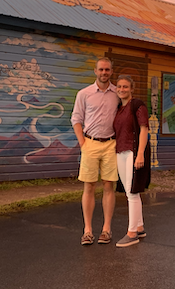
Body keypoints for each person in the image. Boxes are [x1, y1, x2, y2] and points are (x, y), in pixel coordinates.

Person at [71, 57, 120, 246]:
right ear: (95, 71)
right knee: (89, 186)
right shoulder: (84, 94)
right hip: (90, 143)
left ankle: (106, 229)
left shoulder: (117, 93)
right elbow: (76, 118)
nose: (104, 73)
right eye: (101, 69)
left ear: (111, 72)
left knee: (109, 185)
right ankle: (88, 231)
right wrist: (82, 143)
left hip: (110, 144)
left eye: (107, 70)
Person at [113, 75, 151, 248]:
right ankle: (140, 227)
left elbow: (144, 129)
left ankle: (132, 233)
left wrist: (140, 154)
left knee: (132, 192)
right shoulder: (119, 108)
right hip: (120, 151)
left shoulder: (137, 105)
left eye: (125, 87)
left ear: (132, 89)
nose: (122, 89)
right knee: (130, 191)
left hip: (133, 151)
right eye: (119, 87)